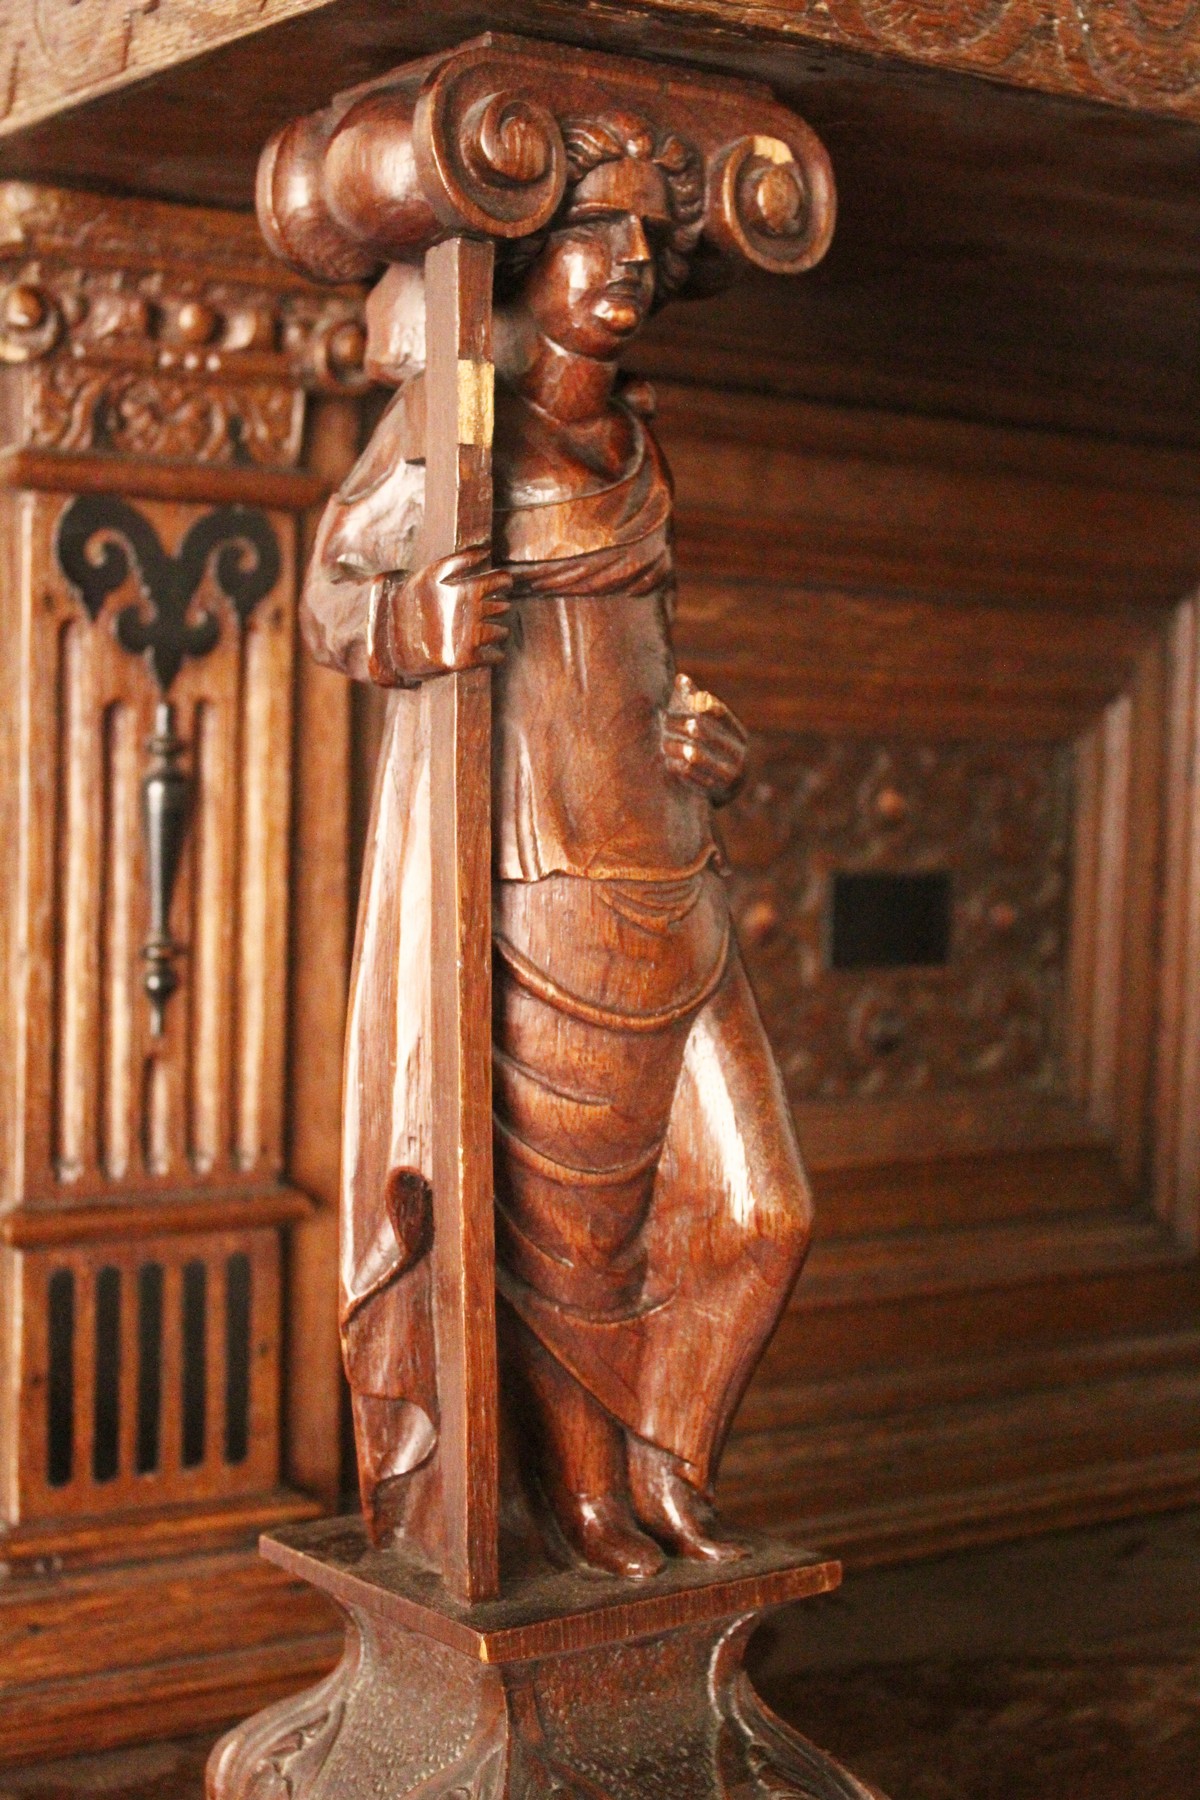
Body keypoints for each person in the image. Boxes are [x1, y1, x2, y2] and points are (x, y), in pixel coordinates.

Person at [302, 111, 814, 1580]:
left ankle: (666, 1455)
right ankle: (586, 1507)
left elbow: (651, 661)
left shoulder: (643, 444)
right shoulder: (461, 431)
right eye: (602, 233)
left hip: (669, 862)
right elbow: (336, 595)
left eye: (651, 236)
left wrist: (702, 731)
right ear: (529, 261)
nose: (634, 261)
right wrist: (416, 624)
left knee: (763, 1209)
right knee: (570, 1247)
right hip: (546, 874)